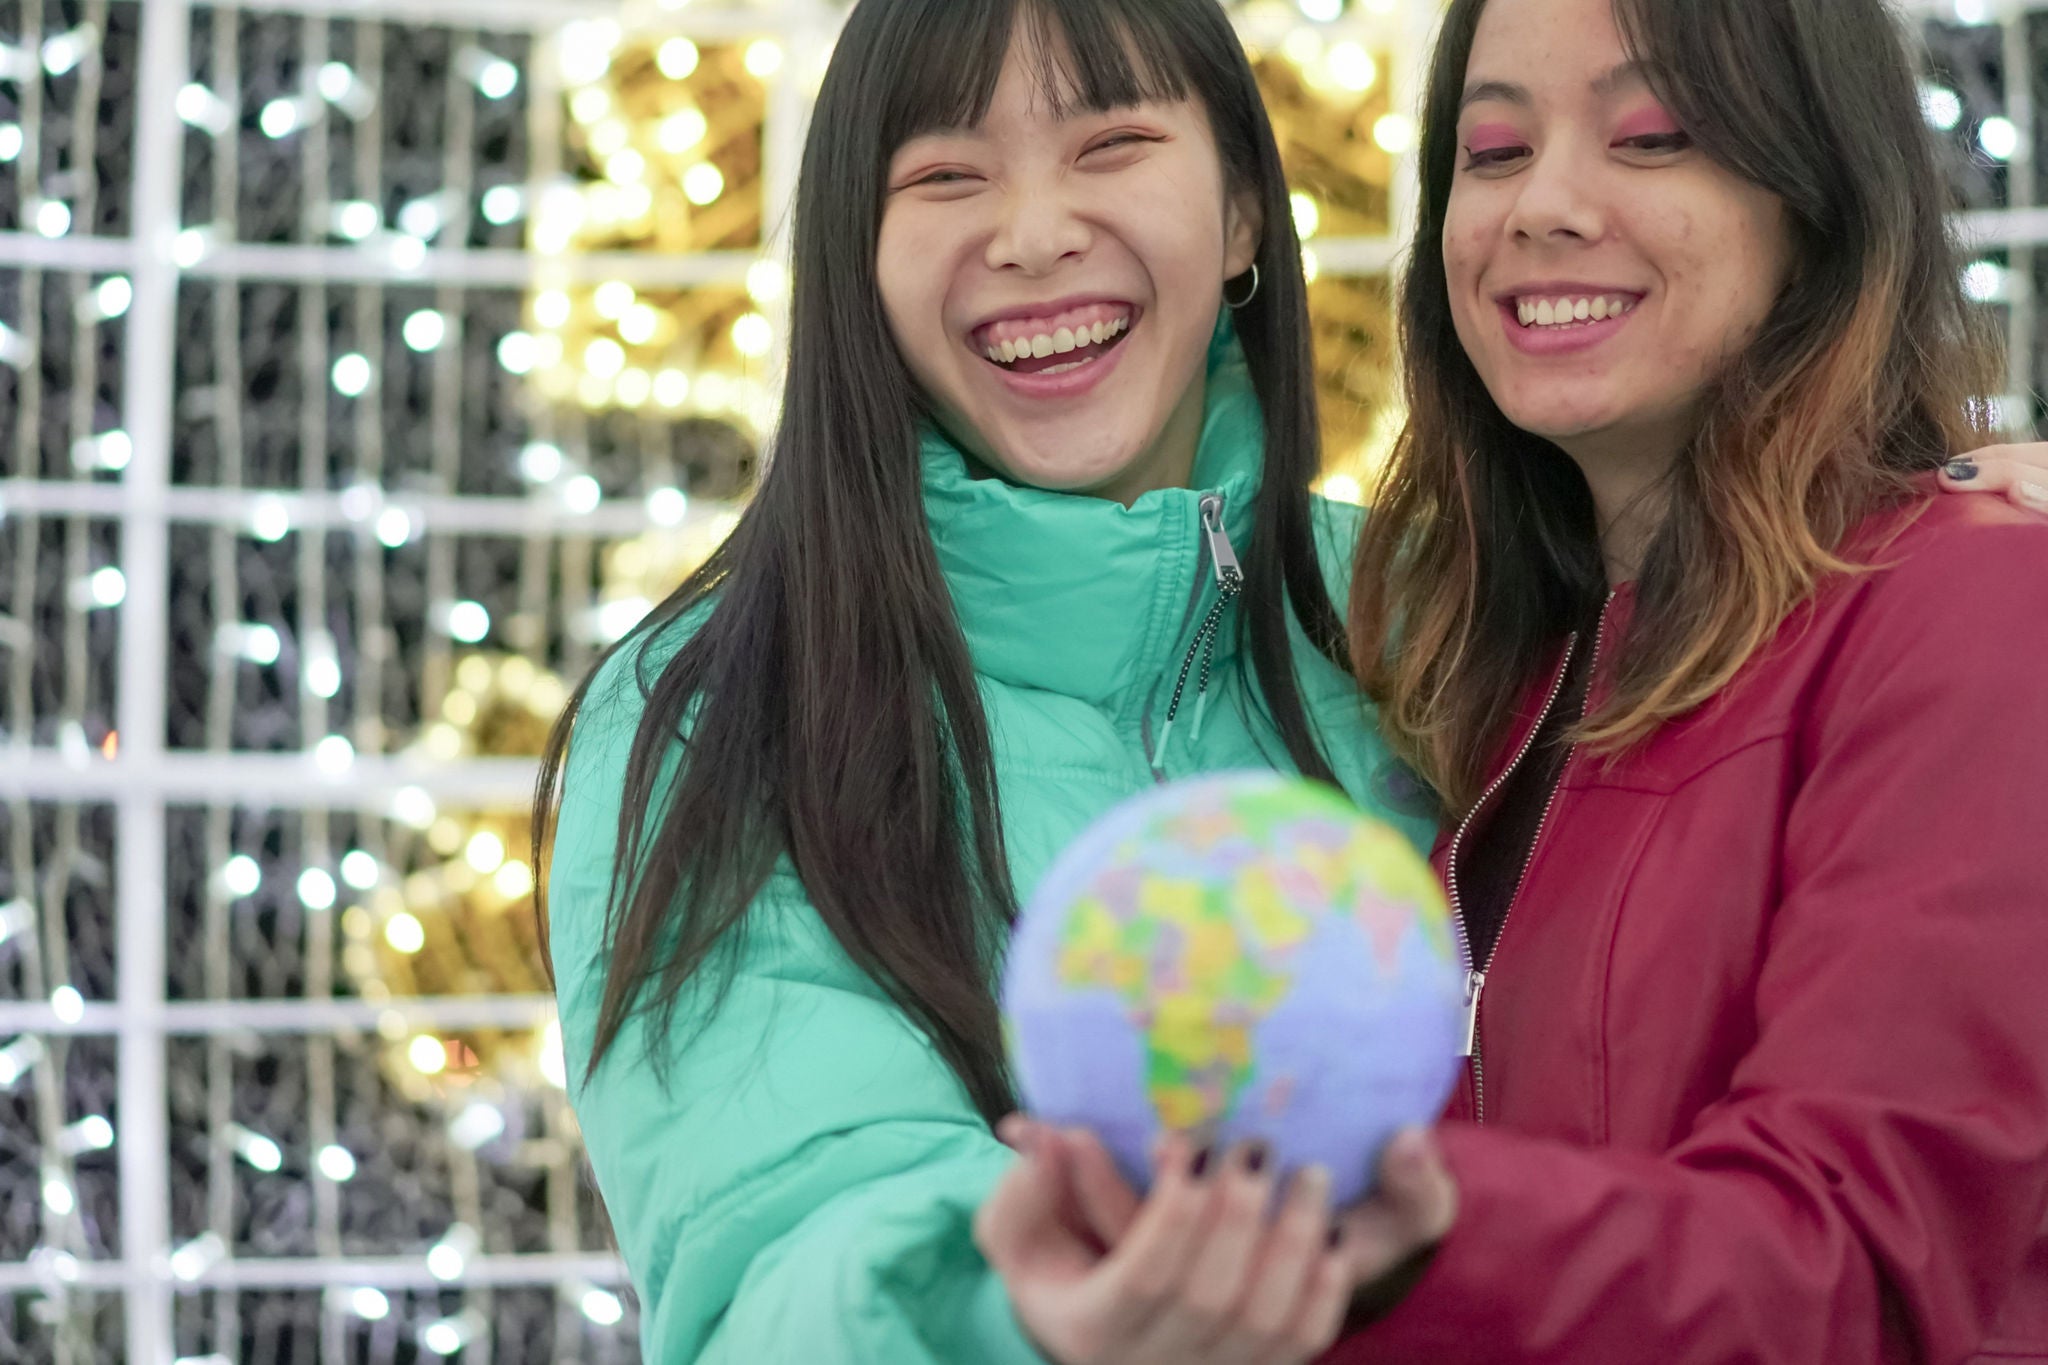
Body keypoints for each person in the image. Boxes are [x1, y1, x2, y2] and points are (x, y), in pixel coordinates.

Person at [541, 0, 2048, 1360]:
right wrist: (1021, 1300)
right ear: (853, 253)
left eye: (1113, 142)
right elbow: (787, 1237)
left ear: (1249, 208)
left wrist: (1964, 533)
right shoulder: (715, 708)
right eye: (944, 176)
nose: (1034, 232)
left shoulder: (1433, 618)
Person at [1339, 0, 2047, 1357]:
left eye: (1651, 135)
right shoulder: (1495, 676)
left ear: (1818, 198)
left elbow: (1856, 1264)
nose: (1542, 202)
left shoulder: (1973, 598)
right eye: (1490, 151)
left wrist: (1365, 1217)